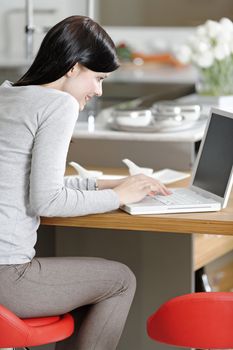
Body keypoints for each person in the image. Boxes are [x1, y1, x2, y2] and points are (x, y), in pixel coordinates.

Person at [0, 15, 170, 350]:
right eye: (98, 77)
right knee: (120, 280)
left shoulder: (8, 95)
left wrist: (107, 186)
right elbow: (46, 200)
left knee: (91, 283)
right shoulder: (59, 104)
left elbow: (28, 182)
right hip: (7, 277)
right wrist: (120, 197)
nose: (99, 90)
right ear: (74, 67)